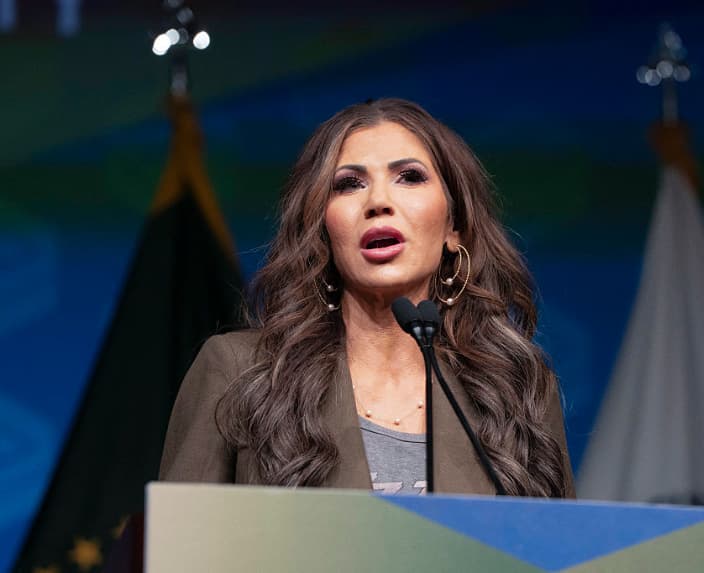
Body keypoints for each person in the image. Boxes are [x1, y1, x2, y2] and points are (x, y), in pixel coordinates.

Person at [159, 98, 575, 498]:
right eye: (349, 184)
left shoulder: (515, 384)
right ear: (322, 229)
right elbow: (176, 551)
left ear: (455, 228)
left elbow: (565, 554)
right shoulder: (240, 372)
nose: (378, 202)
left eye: (409, 177)